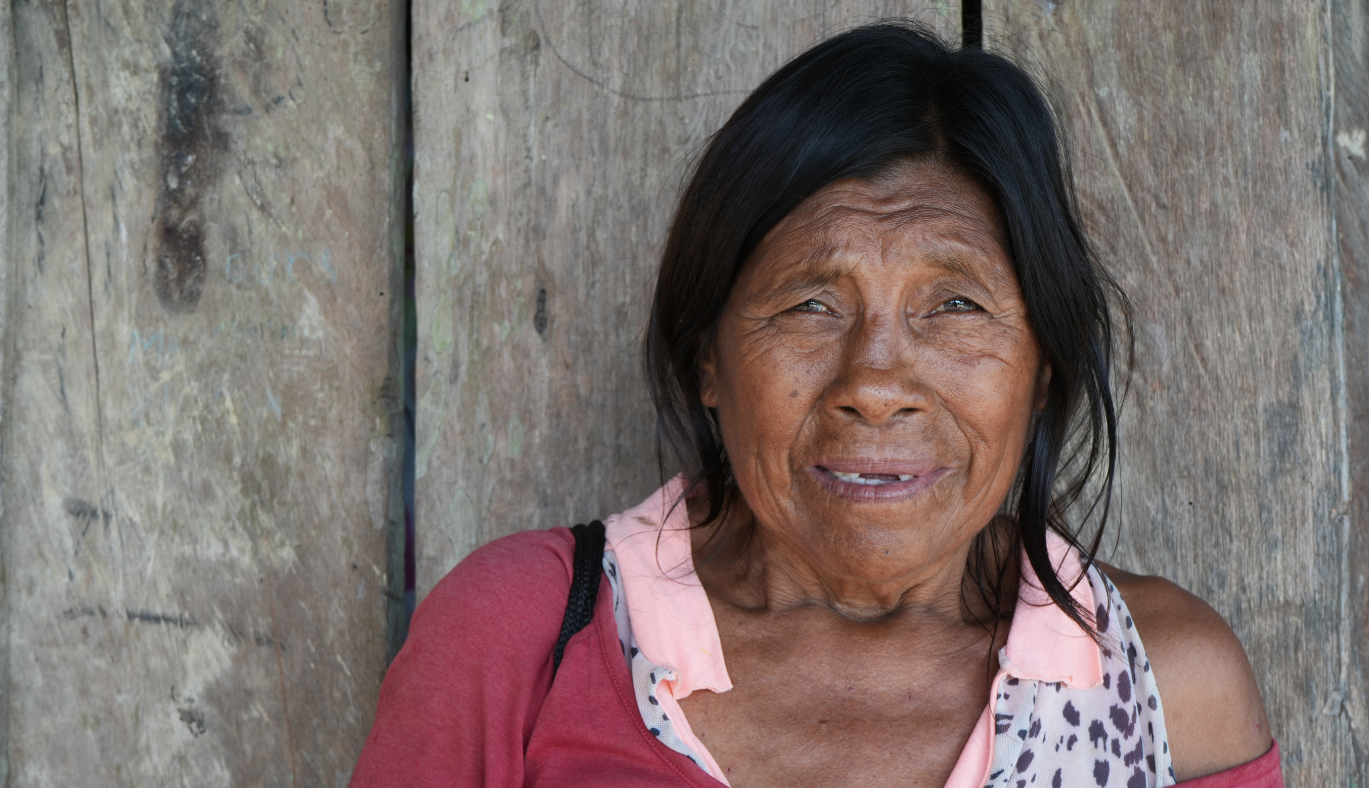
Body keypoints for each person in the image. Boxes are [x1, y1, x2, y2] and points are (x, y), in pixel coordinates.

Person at [351, 21, 1281, 787]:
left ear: (1040, 369)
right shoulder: (524, 641)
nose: (874, 385)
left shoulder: (1163, 682)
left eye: (955, 304)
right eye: (809, 304)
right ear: (708, 362)